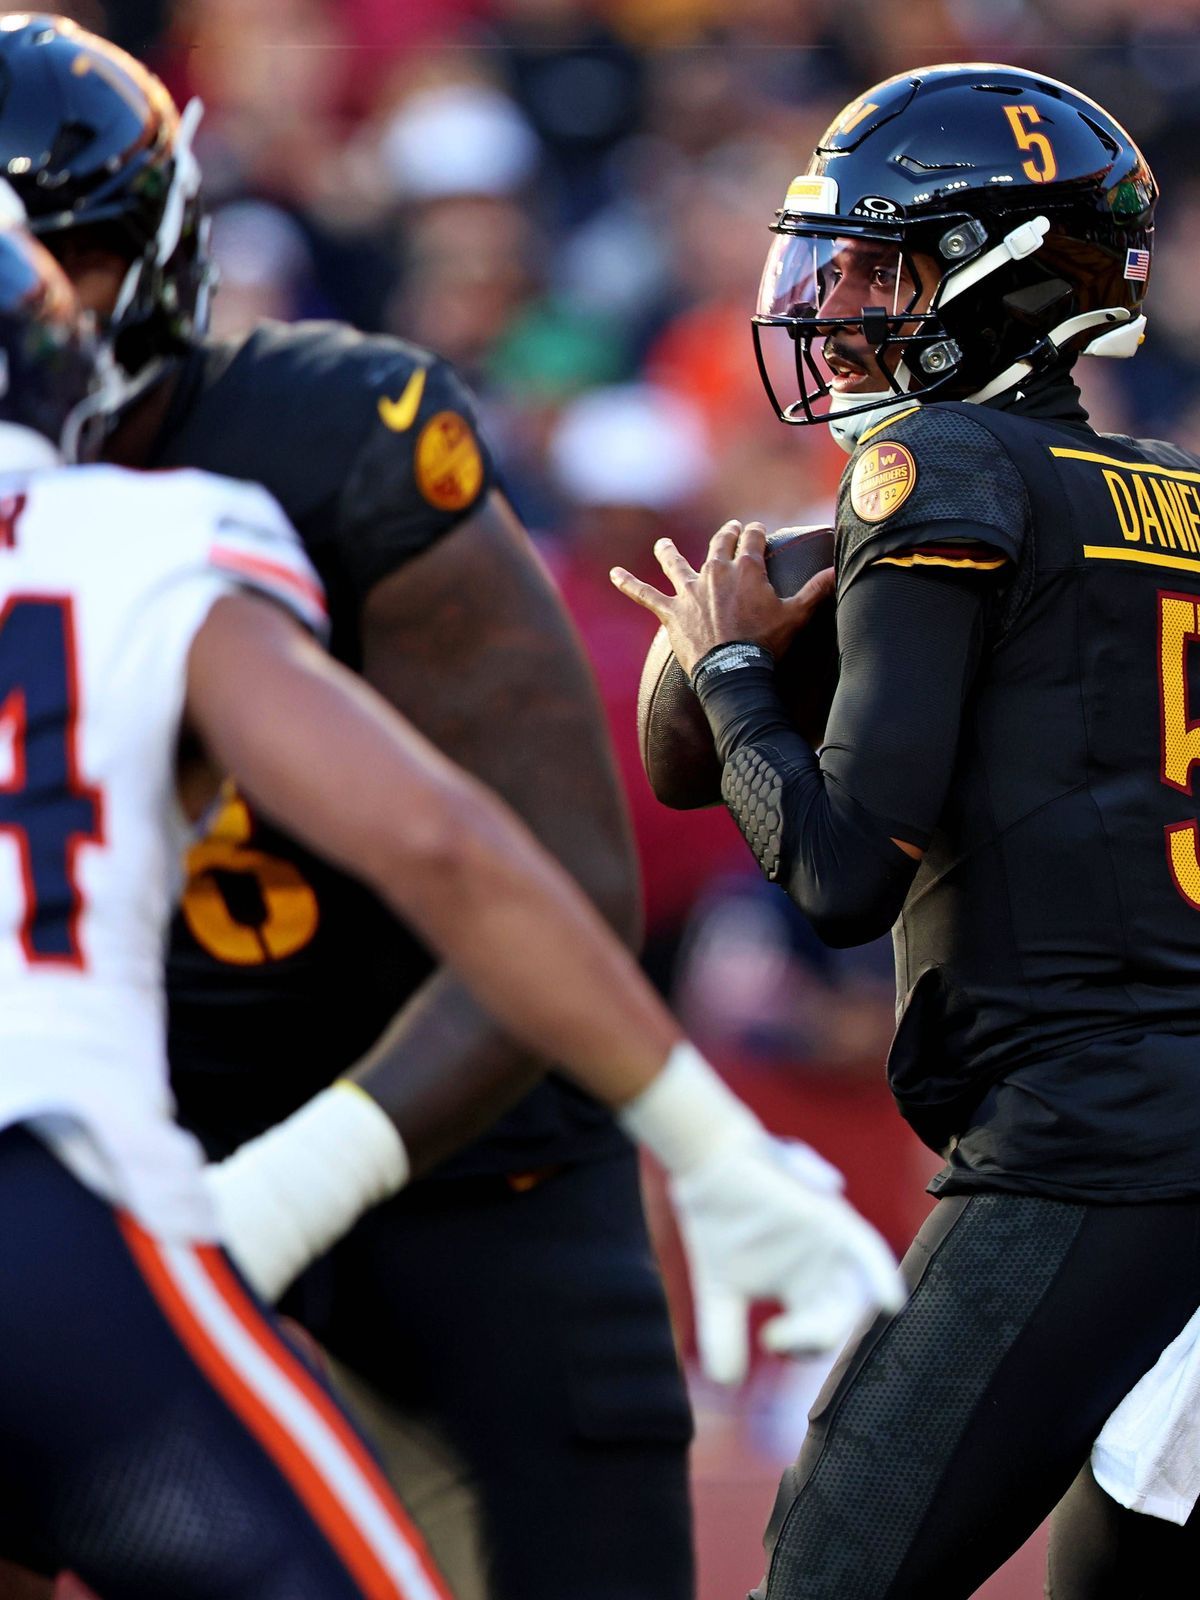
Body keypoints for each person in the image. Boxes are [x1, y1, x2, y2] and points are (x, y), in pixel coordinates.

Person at [0, 19, 905, 1600]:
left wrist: (311, 1173)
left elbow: (536, 863)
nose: (56, 304)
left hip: (457, 1146)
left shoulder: (315, 441)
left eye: (68, 249)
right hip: (118, 1156)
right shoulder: (163, 531)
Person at [613, 59, 1200, 1600]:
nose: (846, 296)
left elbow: (839, 876)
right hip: (1164, 1120)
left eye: (887, 263)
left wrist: (732, 671)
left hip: (1086, 1145)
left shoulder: (934, 466)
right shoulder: (1175, 496)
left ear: (1006, 278)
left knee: (830, 1569)